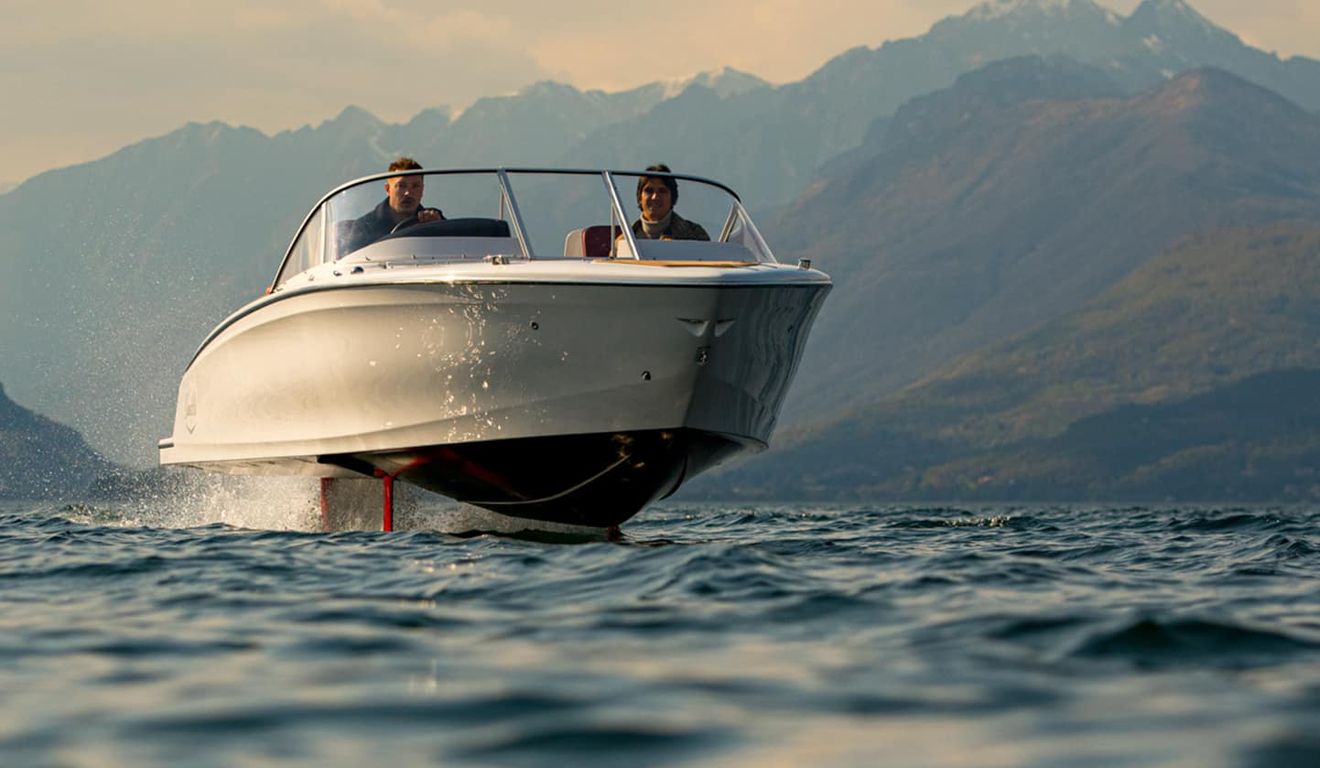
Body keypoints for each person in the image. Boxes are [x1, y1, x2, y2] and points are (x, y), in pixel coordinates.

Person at [338, 157, 444, 255]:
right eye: (401, 186)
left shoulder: (434, 220)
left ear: (422, 190)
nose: (408, 193)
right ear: (388, 189)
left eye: (415, 186)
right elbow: (352, 265)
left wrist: (438, 228)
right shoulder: (365, 227)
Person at [630, 164, 709, 241]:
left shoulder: (695, 235)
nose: (655, 197)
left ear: (672, 197)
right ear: (639, 197)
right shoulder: (623, 238)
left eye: (662, 191)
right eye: (649, 191)